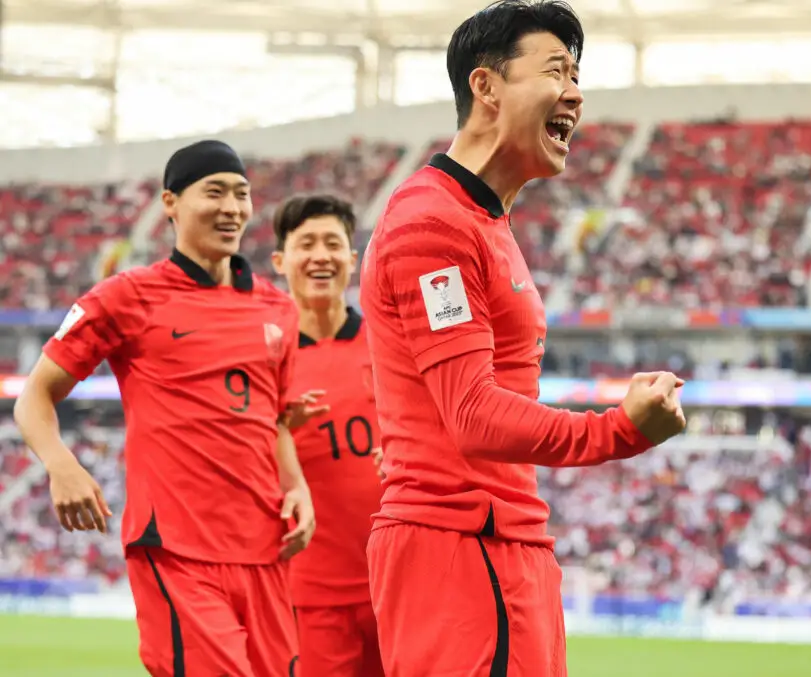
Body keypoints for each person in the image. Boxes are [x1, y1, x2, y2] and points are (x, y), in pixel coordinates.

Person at [358, 2, 687, 676]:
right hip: (460, 547)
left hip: (500, 541)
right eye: (556, 71)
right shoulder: (431, 223)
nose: (575, 93)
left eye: (577, 76)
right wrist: (617, 431)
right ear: (486, 86)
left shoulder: (482, 220)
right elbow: (472, 413)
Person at [14, 140, 320, 677]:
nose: (232, 207)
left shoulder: (277, 308)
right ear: (170, 203)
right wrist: (62, 465)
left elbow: (272, 419)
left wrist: (296, 485)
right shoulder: (127, 296)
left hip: (264, 549)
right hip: (177, 549)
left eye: (242, 194)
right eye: (215, 192)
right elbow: (34, 394)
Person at [270, 193, 385, 677]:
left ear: (353, 259)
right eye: (306, 244)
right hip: (307, 597)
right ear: (280, 260)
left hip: (397, 588)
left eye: (333, 244)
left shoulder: (389, 344)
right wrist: (275, 430)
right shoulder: (262, 356)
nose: (321, 255)